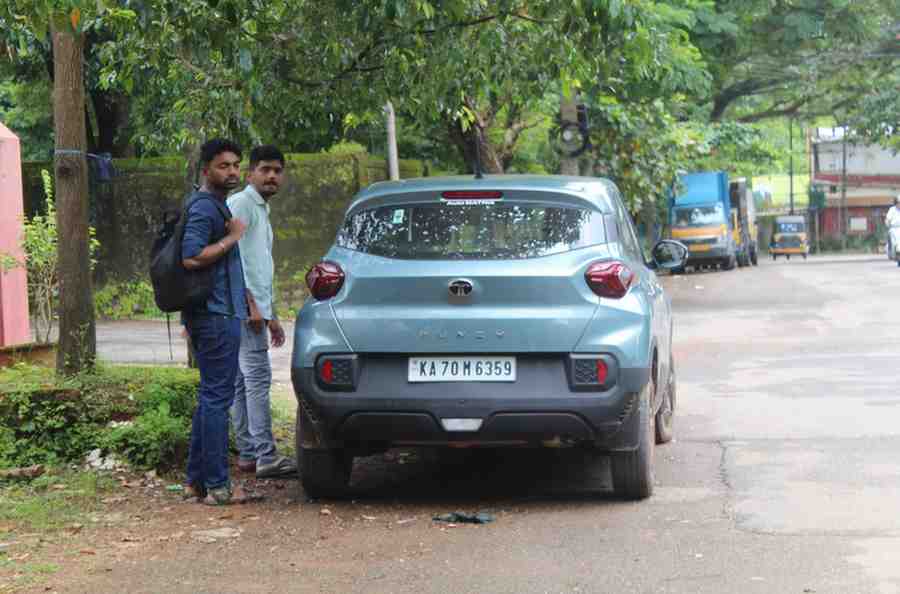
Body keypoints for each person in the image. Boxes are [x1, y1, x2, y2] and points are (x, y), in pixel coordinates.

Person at [181, 138, 250, 505]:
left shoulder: (211, 205)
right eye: (224, 165)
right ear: (206, 169)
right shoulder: (206, 209)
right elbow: (191, 257)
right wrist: (234, 237)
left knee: (210, 397)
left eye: (236, 165)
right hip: (216, 314)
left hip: (217, 312)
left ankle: (195, 482)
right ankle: (218, 486)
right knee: (216, 400)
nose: (233, 172)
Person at [226, 145, 296, 478]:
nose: (271, 176)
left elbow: (259, 265)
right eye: (265, 169)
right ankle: (266, 456)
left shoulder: (260, 208)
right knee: (256, 379)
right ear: (250, 172)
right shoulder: (242, 203)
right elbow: (232, 257)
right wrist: (252, 305)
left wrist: (272, 315)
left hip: (251, 307)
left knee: (242, 380)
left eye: (277, 170)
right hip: (242, 307)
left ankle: (250, 453)